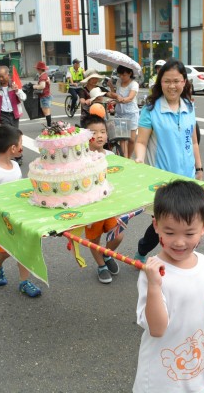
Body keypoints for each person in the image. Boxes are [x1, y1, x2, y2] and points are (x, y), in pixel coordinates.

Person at [133, 180, 204, 393]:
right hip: (162, 371)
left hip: (197, 357)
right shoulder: (153, 273)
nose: (180, 242)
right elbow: (156, 329)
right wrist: (155, 286)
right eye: (170, 232)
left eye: (189, 233)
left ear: (203, 227)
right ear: (156, 226)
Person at [133, 59, 203, 263]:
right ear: (160, 83)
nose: (172, 86)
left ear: (184, 82)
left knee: (188, 222)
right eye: (167, 81)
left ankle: (178, 262)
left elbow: (194, 140)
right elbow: (142, 141)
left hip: (188, 177)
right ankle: (142, 250)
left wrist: (199, 167)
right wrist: (139, 158)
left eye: (177, 81)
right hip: (162, 180)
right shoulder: (151, 109)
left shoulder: (189, 106)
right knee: (163, 224)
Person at [0, 125, 42, 298]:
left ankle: (24, 282)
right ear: (13, 148)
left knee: (24, 249)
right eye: (20, 144)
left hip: (19, 216)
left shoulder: (14, 165)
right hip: (2, 220)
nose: (21, 147)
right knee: (5, 251)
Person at [83, 114, 123, 283]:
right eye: (94, 132)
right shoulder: (82, 158)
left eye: (103, 131)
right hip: (91, 206)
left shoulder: (110, 155)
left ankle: (106, 254)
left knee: (118, 236)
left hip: (109, 204)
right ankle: (101, 265)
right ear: (85, 136)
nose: (99, 135)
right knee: (94, 239)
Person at [107, 65, 139, 158]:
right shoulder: (118, 82)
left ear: (130, 73)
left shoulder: (134, 84)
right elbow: (115, 95)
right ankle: (124, 158)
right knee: (122, 138)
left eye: (124, 75)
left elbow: (130, 97)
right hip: (120, 114)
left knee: (132, 140)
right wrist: (111, 87)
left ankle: (128, 157)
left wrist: (122, 100)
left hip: (131, 114)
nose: (121, 77)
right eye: (120, 75)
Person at [32, 61, 52, 127]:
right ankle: (49, 125)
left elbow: (42, 86)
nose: (37, 70)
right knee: (47, 110)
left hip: (44, 96)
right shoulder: (46, 75)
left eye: (37, 69)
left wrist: (35, 86)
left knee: (46, 111)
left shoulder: (42, 76)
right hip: (47, 94)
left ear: (40, 69)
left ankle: (49, 126)